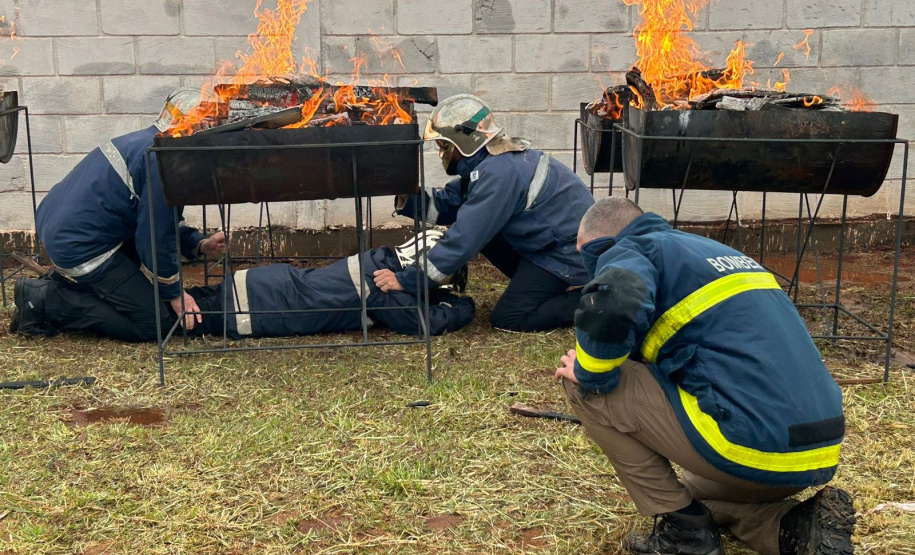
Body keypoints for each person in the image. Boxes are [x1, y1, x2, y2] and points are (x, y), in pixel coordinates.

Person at [555, 197, 853, 555]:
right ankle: (795, 529)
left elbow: (616, 302)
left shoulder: (635, 250)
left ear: (596, 244)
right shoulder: (714, 252)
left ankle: (685, 534)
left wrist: (590, 370)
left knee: (578, 381)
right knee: (695, 493)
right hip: (815, 451)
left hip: (750, 441)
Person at [11, 88, 227, 342]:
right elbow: (154, 239)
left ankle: (68, 290)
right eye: (214, 126)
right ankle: (46, 300)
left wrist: (198, 243)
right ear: (193, 126)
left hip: (65, 225)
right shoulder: (163, 160)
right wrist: (175, 293)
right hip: (79, 244)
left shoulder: (145, 142)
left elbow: (156, 222)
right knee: (154, 324)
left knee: (137, 297)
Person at [374, 94, 594, 332]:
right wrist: (403, 190)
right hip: (550, 244)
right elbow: (448, 205)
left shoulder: (500, 173)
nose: (442, 153)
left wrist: (409, 281)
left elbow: (464, 238)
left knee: (508, 318)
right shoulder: (492, 163)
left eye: (444, 146)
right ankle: (535, 287)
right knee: (484, 234)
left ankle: (594, 299)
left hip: (566, 254)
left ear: (463, 143)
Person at [185, 230, 474, 339]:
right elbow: (427, 322)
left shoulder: (376, 259)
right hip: (256, 309)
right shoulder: (381, 289)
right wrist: (462, 304)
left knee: (183, 297)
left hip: (259, 284)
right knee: (171, 320)